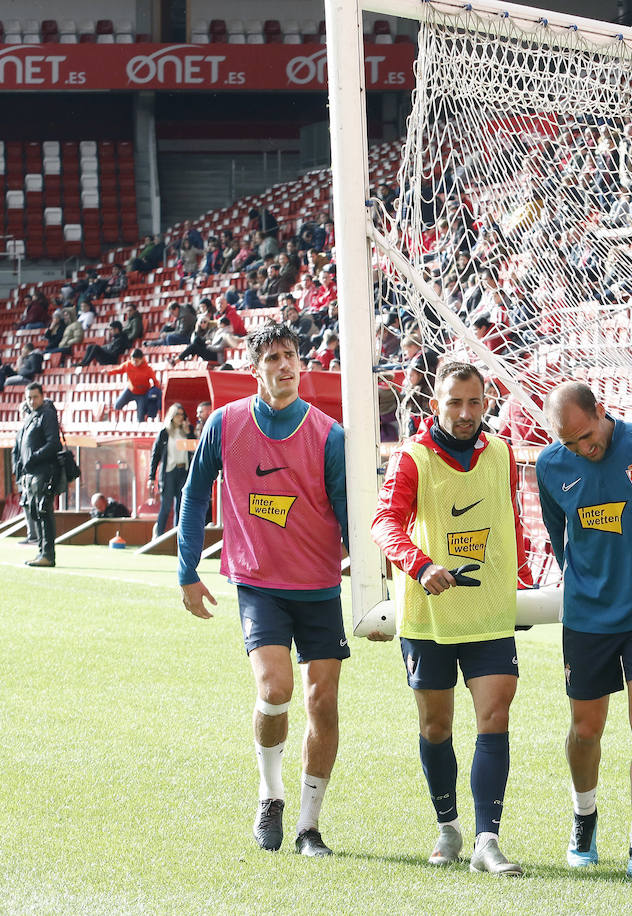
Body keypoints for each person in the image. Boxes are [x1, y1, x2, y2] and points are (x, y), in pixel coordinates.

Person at [176, 322, 349, 858]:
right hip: (258, 583)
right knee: (275, 690)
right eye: (272, 357)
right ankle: (269, 795)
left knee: (322, 703)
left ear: (302, 363)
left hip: (319, 587)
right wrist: (187, 570)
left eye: (291, 355)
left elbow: (347, 515)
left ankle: (308, 826)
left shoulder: (329, 434)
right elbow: (194, 490)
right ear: (256, 369)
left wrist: (370, 587)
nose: (284, 365)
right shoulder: (226, 424)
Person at [372, 360, 529, 875]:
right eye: (454, 402)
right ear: (435, 403)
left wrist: (524, 577)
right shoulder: (412, 459)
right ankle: (448, 827)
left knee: (495, 714)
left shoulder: (503, 453)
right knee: (436, 725)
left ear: (486, 403)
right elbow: (384, 522)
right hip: (429, 617)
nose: (465, 413)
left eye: (474, 402)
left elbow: (511, 521)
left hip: (488, 612)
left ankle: (488, 840)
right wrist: (421, 565)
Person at [535, 382, 632, 883]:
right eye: (570, 444)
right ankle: (584, 820)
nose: (583, 449)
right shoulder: (549, 466)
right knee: (586, 728)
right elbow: (558, 535)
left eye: (586, 436)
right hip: (586, 616)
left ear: (601, 411)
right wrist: (585, 579)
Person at [16, 383, 61, 568]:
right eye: (28, 398)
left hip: (43, 471)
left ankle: (48, 555)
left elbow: (53, 444)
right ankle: (41, 552)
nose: (32, 401)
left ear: (42, 396)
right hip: (31, 473)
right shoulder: (30, 416)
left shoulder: (47, 414)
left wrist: (33, 458)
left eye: (35, 397)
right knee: (36, 512)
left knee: (44, 511)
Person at [150, 403, 194, 536]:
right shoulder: (164, 433)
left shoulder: (187, 431)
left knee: (181, 506)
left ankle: (177, 535)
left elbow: (194, 448)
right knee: (166, 505)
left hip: (183, 470)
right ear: (172, 416)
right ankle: (159, 535)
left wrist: (189, 433)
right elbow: (156, 455)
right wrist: (151, 477)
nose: (181, 418)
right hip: (169, 471)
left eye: (182, 415)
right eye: (178, 415)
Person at [104, 349, 162, 422]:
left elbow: (155, 381)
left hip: (142, 394)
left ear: (142, 359)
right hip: (130, 390)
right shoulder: (128, 365)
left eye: (137, 361)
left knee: (140, 417)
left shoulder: (148, 369)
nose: (135, 362)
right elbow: (118, 370)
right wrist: (108, 373)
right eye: (133, 360)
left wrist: (157, 391)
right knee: (117, 405)